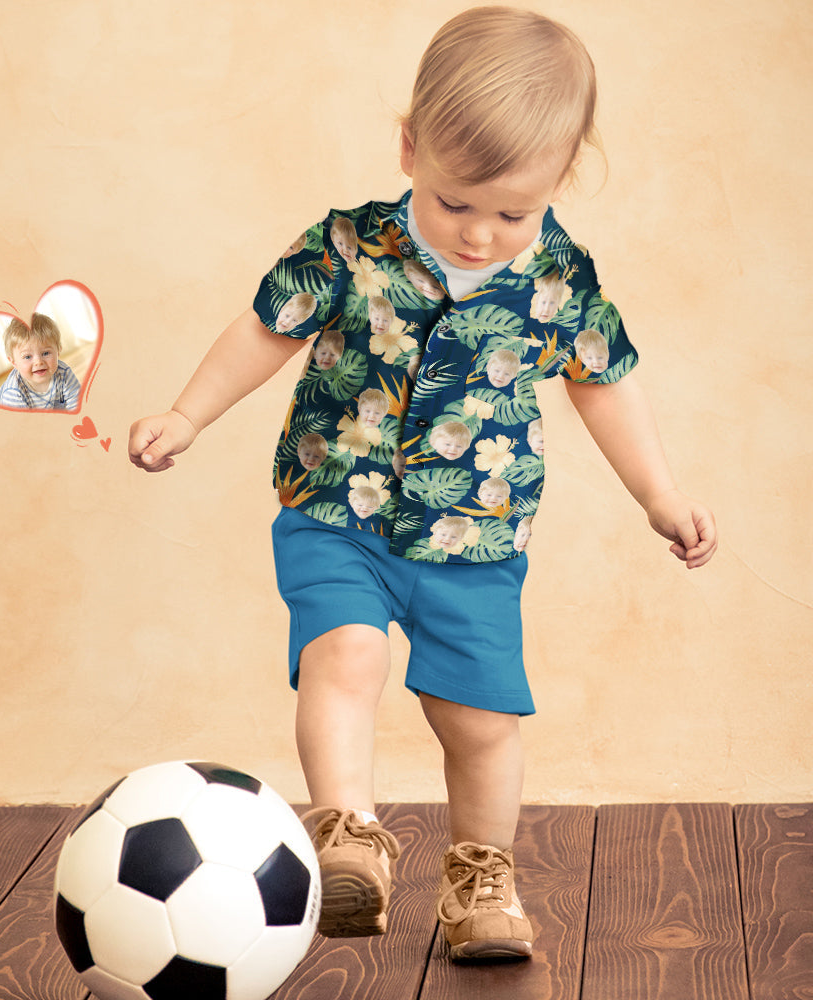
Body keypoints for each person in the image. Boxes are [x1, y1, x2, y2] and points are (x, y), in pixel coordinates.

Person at [128, 5, 717, 962]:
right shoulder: (347, 247)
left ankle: (481, 876)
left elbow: (604, 386)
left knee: (479, 722)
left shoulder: (561, 281)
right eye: (456, 204)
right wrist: (188, 414)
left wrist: (659, 494)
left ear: (559, 184)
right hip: (336, 514)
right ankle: (348, 835)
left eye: (511, 215)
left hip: (473, 540)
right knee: (345, 658)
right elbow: (264, 331)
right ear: (409, 150)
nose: (481, 235)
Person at [0, 313, 81, 411]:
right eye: (28, 357)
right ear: (14, 362)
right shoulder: (13, 393)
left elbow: (77, 407)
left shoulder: (64, 374)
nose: (38, 362)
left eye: (46, 353)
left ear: (58, 351)